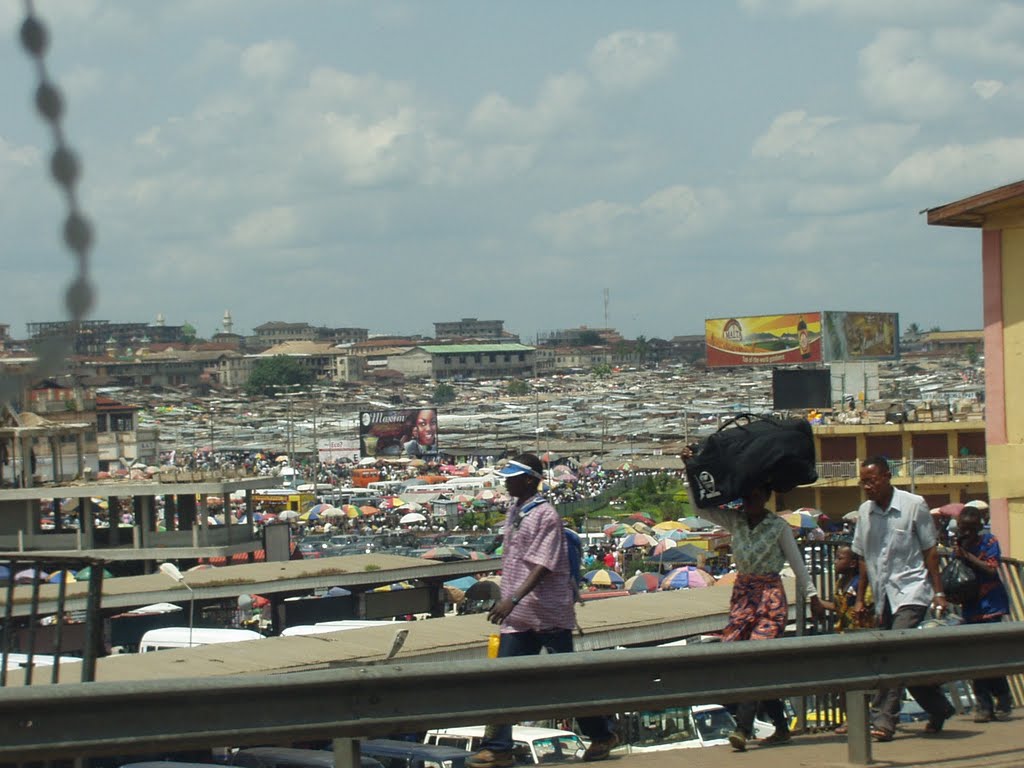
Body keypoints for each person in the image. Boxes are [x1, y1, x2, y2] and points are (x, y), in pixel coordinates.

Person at [466, 453, 618, 768]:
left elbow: (543, 566)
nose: (506, 482)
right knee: (502, 678)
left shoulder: (546, 515)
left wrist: (512, 599)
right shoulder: (515, 510)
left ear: (530, 480)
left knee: (566, 682)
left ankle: (601, 734)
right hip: (519, 617)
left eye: (512, 477)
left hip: (548, 612)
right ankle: (498, 747)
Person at [681, 447, 822, 751]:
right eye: (746, 496)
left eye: (755, 495)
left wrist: (812, 597)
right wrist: (690, 470)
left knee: (756, 658)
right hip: (743, 598)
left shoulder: (778, 527)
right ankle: (782, 727)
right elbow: (700, 508)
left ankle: (743, 729)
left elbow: (798, 565)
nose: (750, 501)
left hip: (770, 599)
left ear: (765, 496)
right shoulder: (735, 522)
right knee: (745, 661)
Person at [853, 456, 955, 742]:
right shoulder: (864, 512)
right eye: (863, 482)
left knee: (894, 652)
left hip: (912, 591)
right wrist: (861, 598)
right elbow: (862, 557)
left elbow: (930, 551)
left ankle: (883, 720)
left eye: (871, 480)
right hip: (883, 596)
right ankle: (939, 708)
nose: (867, 487)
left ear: (886, 476)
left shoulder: (913, 505)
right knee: (900, 661)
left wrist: (939, 592)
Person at [953, 505, 1013, 722]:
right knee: (975, 659)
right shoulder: (959, 545)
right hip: (971, 607)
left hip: (990, 606)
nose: (966, 532)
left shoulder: (989, 542)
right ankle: (984, 704)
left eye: (970, 529)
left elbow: (990, 568)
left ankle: (1001, 696)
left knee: (991, 656)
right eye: (963, 528)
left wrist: (968, 556)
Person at [816, 544, 875, 735]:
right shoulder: (841, 583)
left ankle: (863, 719)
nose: (835, 562)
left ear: (852, 563)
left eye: (839, 558)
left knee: (860, 683)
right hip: (843, 636)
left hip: (860, 636)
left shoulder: (861, 584)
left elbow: (868, 606)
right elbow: (838, 607)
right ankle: (850, 719)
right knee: (842, 684)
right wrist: (818, 603)